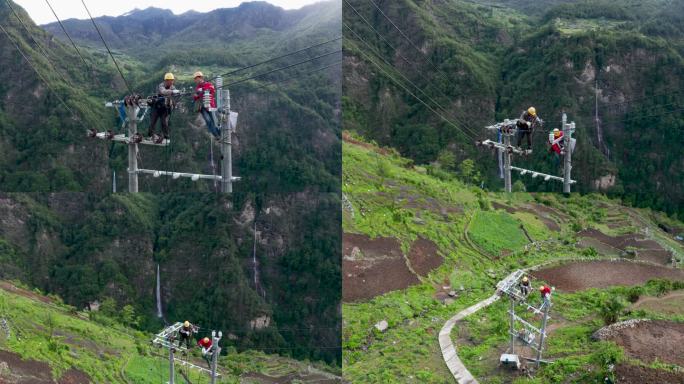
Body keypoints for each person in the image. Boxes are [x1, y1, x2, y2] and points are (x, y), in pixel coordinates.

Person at [148, 72, 179, 143]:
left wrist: (177, 94)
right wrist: (172, 91)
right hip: (156, 107)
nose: (171, 82)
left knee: (164, 123)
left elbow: (174, 96)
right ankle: (150, 135)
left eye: (172, 80)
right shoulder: (161, 85)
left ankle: (166, 137)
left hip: (164, 108)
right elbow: (163, 92)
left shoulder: (172, 87)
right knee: (152, 122)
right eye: (170, 80)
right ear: (166, 80)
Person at [192, 71, 220, 138]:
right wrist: (197, 94)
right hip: (202, 107)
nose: (195, 80)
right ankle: (216, 135)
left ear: (200, 78)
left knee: (214, 120)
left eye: (196, 79)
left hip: (210, 105)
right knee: (208, 120)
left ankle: (219, 133)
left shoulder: (208, 84)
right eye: (195, 79)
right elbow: (195, 97)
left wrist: (202, 90)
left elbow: (212, 89)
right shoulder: (197, 87)